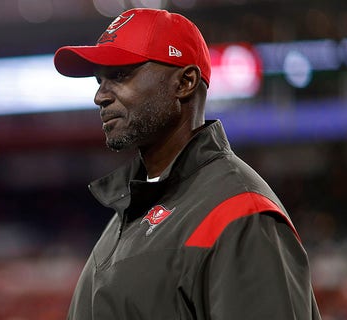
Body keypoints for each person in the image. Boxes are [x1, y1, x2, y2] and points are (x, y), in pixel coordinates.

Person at [53, 8, 321, 320]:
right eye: (100, 80)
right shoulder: (133, 209)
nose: (100, 96)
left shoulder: (238, 211)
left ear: (185, 83)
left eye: (121, 75)